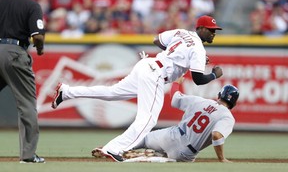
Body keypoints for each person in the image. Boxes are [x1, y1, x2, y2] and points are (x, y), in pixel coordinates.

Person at [51, 15, 223, 162]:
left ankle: (66, 92)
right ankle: (113, 149)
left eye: (215, 30)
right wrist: (215, 74)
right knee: (148, 119)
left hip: (146, 64)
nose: (213, 32)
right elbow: (199, 79)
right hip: (155, 74)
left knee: (112, 93)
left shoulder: (182, 32)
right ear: (200, 28)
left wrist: (176, 56)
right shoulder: (198, 49)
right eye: (210, 29)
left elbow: (157, 40)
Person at [125, 80, 239, 162]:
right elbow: (217, 135)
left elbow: (175, 98)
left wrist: (177, 82)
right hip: (185, 152)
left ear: (219, 95)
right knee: (170, 161)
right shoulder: (227, 117)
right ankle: (158, 158)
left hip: (172, 136)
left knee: (144, 138)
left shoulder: (201, 101)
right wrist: (221, 159)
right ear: (234, 103)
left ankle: (118, 149)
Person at [0, 0, 45, 163]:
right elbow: (38, 36)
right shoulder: (31, 5)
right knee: (26, 104)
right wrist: (40, 49)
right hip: (15, 53)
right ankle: (27, 155)